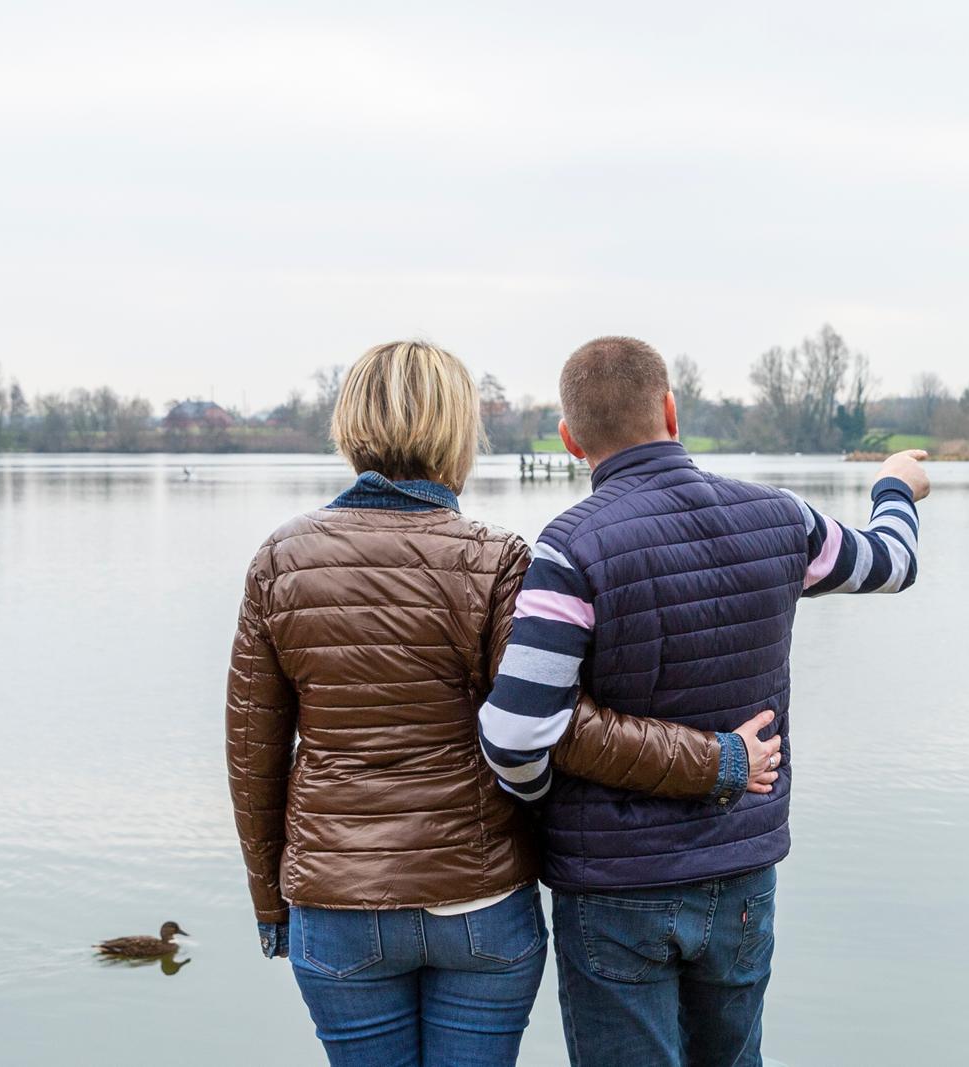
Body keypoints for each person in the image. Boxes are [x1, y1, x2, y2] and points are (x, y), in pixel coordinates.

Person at [224, 340, 783, 1067]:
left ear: (348, 428)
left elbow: (254, 757)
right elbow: (559, 728)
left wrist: (270, 902)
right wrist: (717, 759)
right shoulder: (496, 560)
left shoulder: (280, 560)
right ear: (460, 432)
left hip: (336, 903)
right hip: (480, 898)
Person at [478, 336, 930, 1067]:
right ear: (671, 410)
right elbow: (894, 562)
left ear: (569, 440)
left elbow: (515, 734)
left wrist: (539, 801)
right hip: (741, 871)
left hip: (613, 883)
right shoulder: (781, 519)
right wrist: (894, 488)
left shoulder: (570, 549)